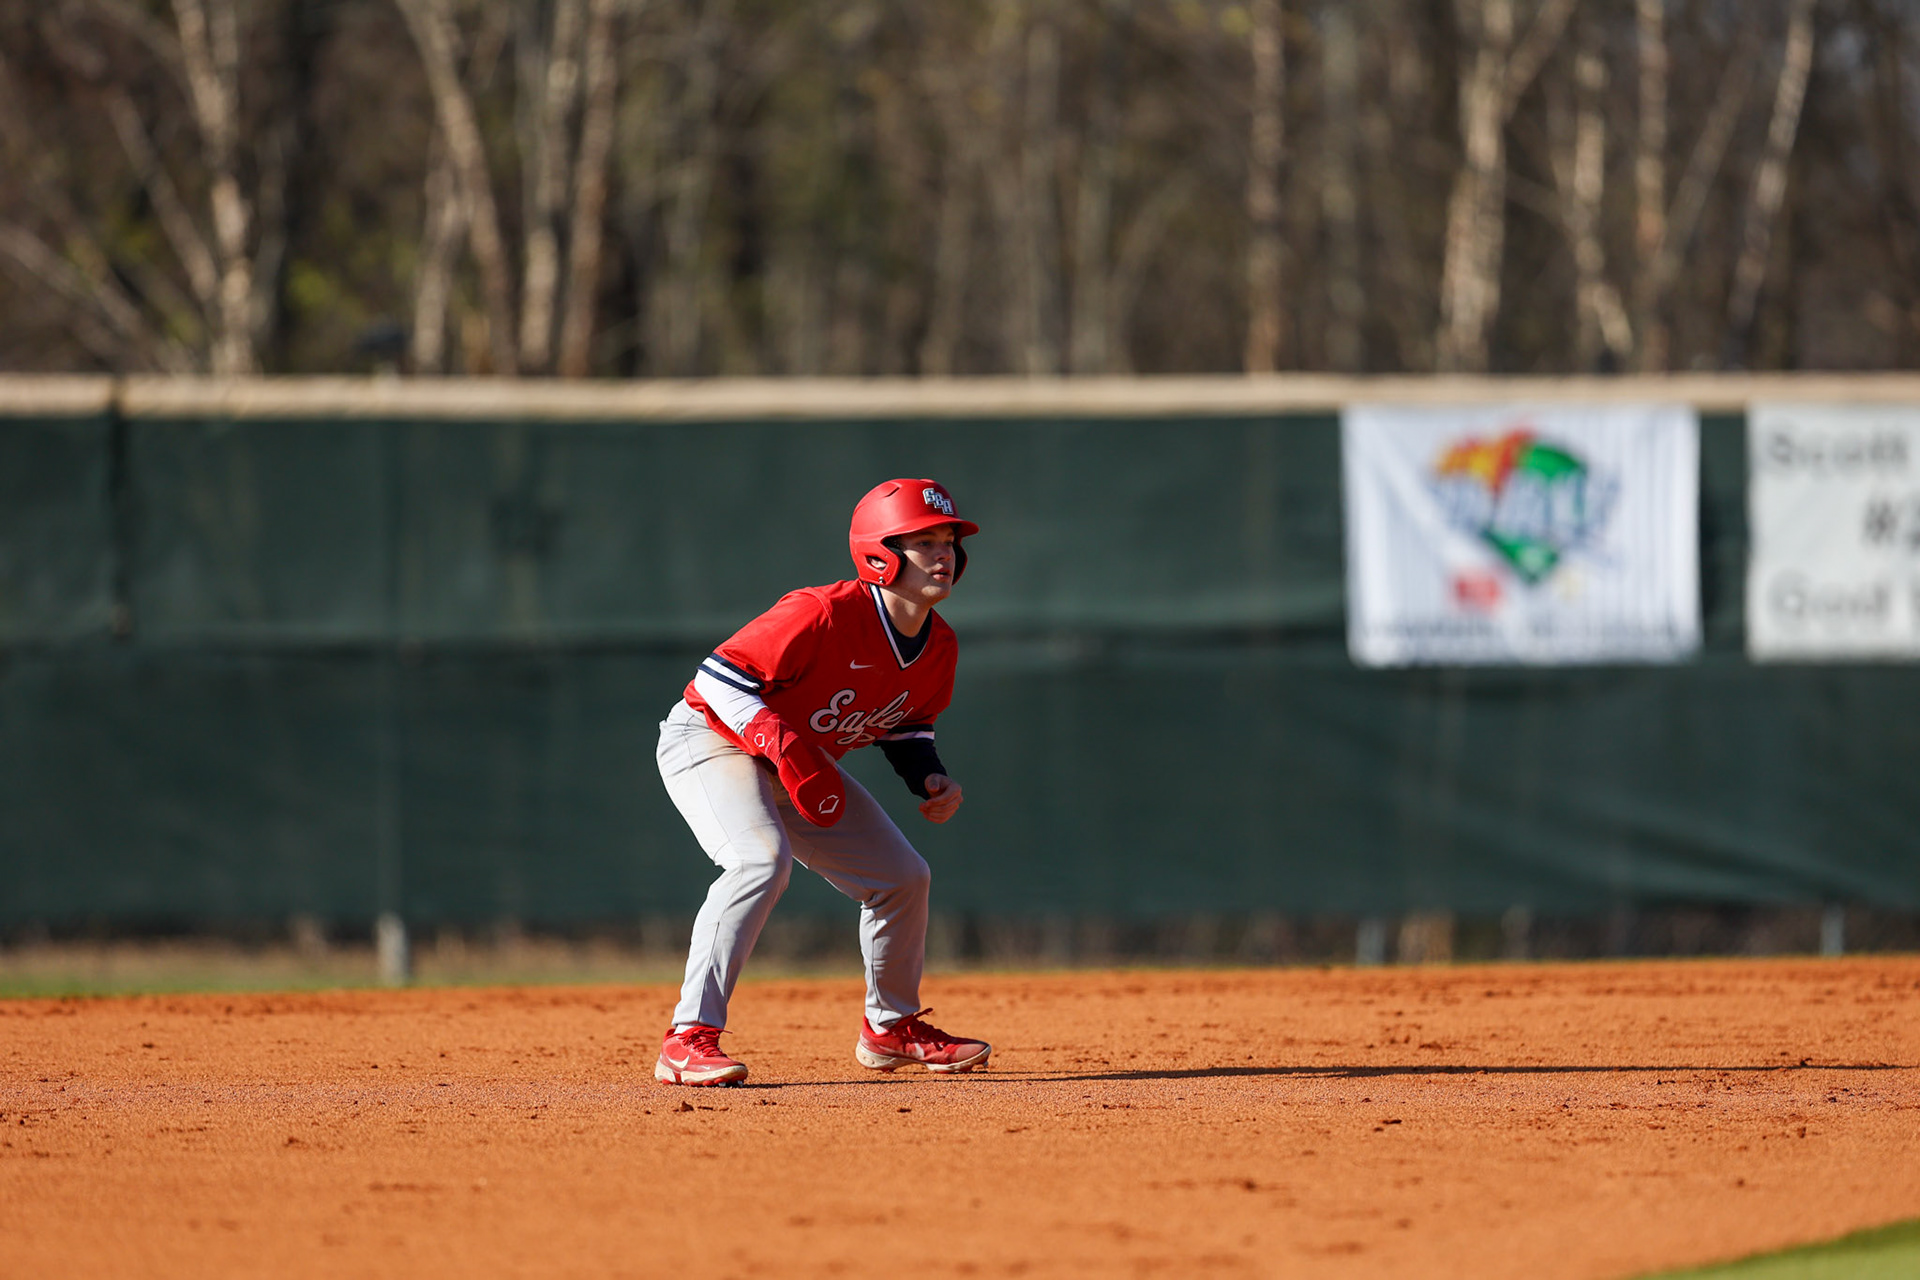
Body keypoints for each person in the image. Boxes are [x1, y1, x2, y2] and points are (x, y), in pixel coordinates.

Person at [653, 478, 991, 1086]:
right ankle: (687, 1038)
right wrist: (780, 745)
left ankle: (890, 1028)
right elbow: (717, 680)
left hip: (795, 760)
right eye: (923, 542)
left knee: (902, 878)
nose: (943, 554)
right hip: (710, 738)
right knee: (759, 862)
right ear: (880, 554)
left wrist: (930, 777)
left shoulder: (939, 645)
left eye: (948, 541)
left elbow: (906, 726)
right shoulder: (823, 612)